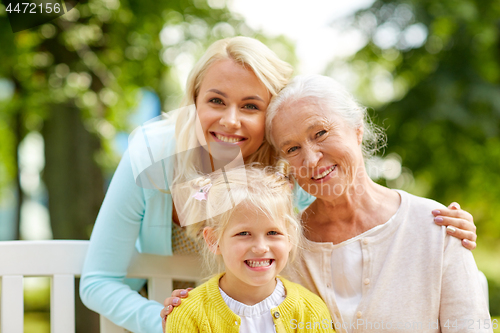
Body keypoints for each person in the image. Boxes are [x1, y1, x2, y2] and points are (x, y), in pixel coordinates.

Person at [79, 36, 477, 333]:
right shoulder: (153, 156)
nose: (231, 121)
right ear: (194, 100)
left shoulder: (290, 170)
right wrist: (180, 322)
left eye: (251, 106)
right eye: (216, 101)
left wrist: (438, 229)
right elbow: (98, 281)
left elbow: (342, 218)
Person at [264, 75, 491, 332]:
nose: (311, 159)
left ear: (357, 129)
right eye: (292, 149)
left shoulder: (438, 227)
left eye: (320, 133)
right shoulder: (281, 246)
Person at [165, 166, 335, 332]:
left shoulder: (310, 311)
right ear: (214, 240)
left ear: (290, 237)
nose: (261, 248)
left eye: (273, 232)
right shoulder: (188, 315)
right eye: (244, 233)